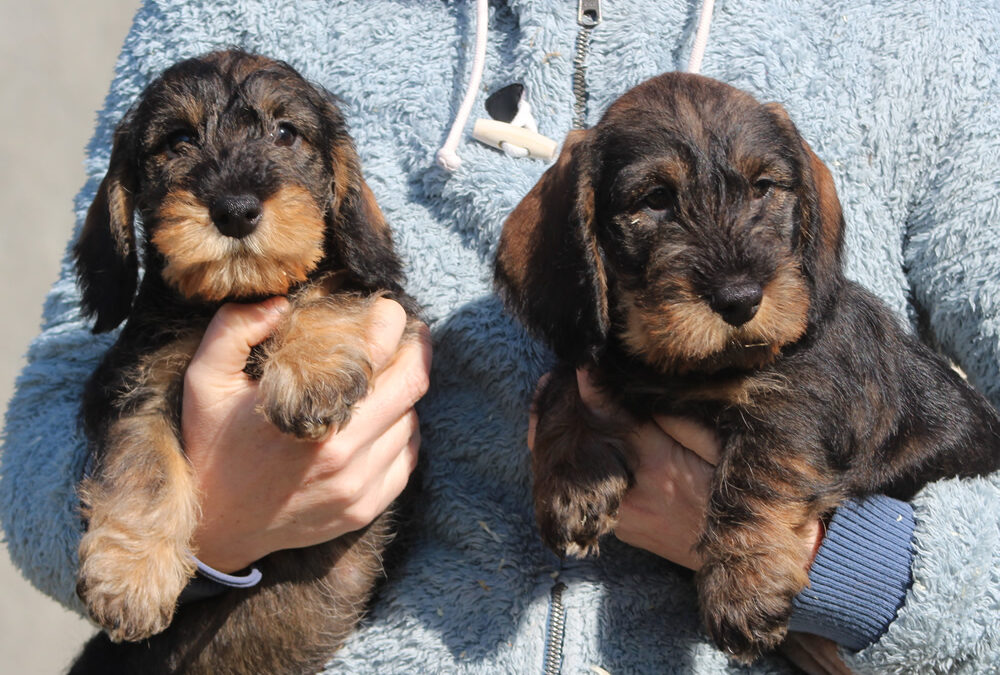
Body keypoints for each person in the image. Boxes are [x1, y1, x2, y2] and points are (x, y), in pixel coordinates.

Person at [3, 1, 998, 672]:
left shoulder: (925, 27)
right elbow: (56, 407)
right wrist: (209, 524)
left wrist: (861, 567)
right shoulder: (233, 11)